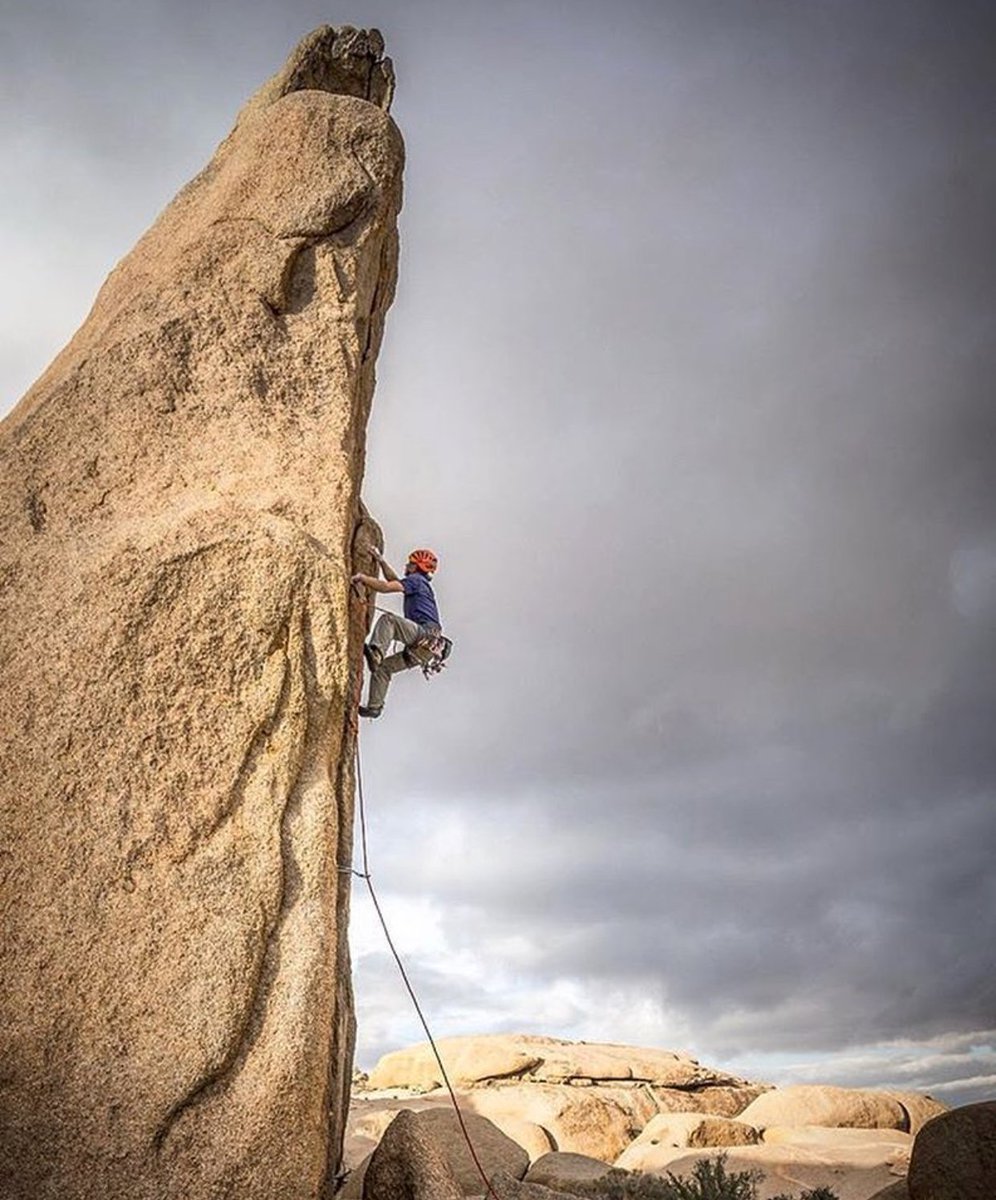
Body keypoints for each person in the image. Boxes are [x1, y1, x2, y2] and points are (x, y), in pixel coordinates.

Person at [351, 547, 443, 718]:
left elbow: (386, 587)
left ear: (416, 567)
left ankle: (376, 651)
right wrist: (380, 560)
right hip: (428, 649)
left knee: (389, 620)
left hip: (425, 634)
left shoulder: (415, 580)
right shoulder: (419, 583)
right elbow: (393, 579)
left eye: (410, 563)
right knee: (383, 669)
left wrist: (362, 578)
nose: (407, 566)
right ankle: (374, 706)